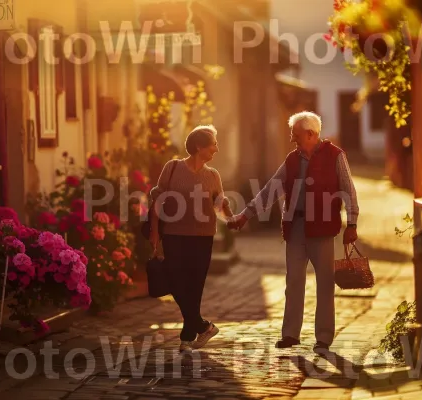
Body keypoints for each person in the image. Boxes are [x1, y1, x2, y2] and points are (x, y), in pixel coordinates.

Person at [227, 111, 359, 355]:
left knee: (325, 285)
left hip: (323, 229)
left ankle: (323, 338)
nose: (292, 139)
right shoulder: (291, 160)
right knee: (294, 282)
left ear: (310, 134)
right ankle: (290, 334)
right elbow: (270, 190)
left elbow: (348, 191)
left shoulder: (335, 156)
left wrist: (352, 225)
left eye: (295, 135)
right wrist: (245, 215)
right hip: (296, 228)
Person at [149, 125, 233, 353]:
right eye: (213, 144)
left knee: (194, 288)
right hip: (174, 235)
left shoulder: (212, 175)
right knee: (175, 282)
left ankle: (187, 337)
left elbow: (219, 206)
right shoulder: (173, 168)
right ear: (199, 146)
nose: (216, 148)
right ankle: (202, 326)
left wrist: (232, 218)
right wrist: (154, 232)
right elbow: (157, 198)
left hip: (203, 238)